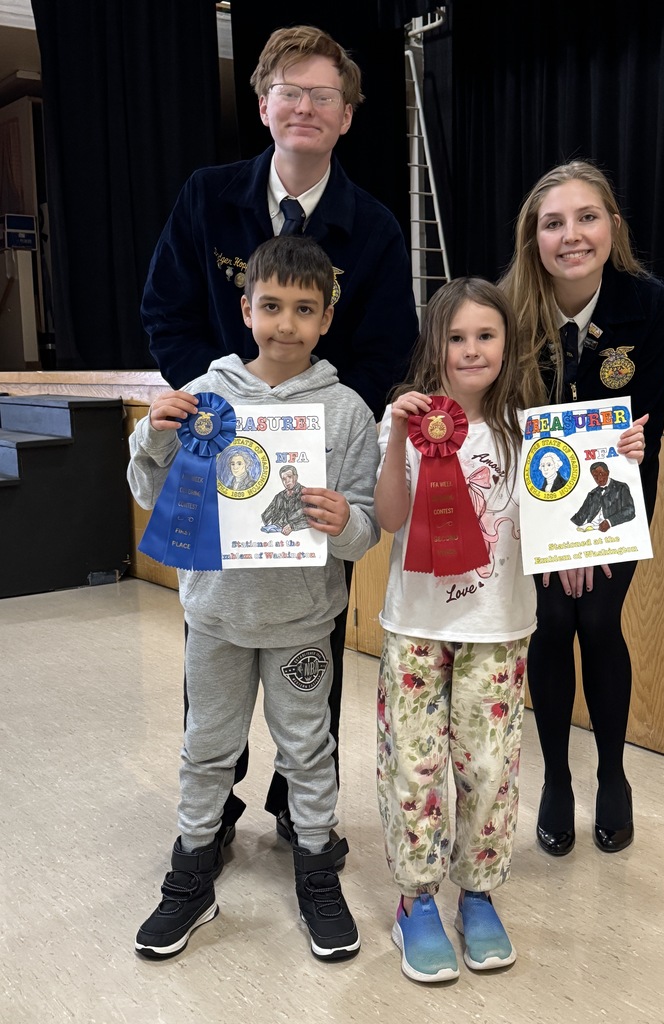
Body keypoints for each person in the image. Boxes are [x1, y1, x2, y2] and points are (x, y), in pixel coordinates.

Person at [140, 24, 418, 854]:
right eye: (288, 92)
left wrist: (312, 422)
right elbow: (167, 311)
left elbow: (386, 346)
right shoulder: (206, 197)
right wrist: (226, 403)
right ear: (263, 106)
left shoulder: (373, 226)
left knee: (312, 634)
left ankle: (302, 807)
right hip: (221, 447)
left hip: (318, 460)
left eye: (322, 95)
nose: (304, 107)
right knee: (214, 634)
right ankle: (214, 800)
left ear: (346, 115)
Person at [128, 235, 380, 961]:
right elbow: (148, 495)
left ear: (326, 318)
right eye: (271, 306)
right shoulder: (205, 397)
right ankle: (191, 870)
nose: (286, 324)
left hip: (302, 620)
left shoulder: (347, 412)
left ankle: (315, 866)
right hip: (216, 616)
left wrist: (345, 520)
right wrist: (152, 434)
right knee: (208, 744)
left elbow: (364, 531)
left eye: (304, 309)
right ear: (245, 310)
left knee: (307, 747)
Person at [499, 160, 664, 855]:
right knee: (549, 622)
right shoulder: (507, 309)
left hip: (617, 490)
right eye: (553, 223)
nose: (571, 235)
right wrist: (554, 534)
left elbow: (643, 424)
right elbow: (503, 423)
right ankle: (555, 780)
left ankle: (611, 774)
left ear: (613, 227)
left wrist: (590, 538)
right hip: (530, 496)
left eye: (587, 217)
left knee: (598, 619)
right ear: (533, 239)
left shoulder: (648, 304)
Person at [374, 277, 544, 982]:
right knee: (414, 767)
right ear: (434, 345)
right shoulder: (409, 424)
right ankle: (415, 902)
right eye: (456, 337)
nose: (472, 350)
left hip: (498, 630)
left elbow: (565, 513)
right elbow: (389, 518)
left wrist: (615, 458)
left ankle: (478, 894)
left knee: (489, 769)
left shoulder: (530, 429)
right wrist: (394, 437)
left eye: (486, 335)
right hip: (416, 628)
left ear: (507, 343)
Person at [571, 461, 635, 532]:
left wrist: (609, 522)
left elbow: (630, 511)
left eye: (601, 474)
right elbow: (579, 516)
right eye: (595, 476)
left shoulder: (621, 487)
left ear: (607, 472)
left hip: (615, 529)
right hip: (592, 531)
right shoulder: (592, 494)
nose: (599, 478)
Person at [262, 465, 309, 533]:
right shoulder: (279, 497)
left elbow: (313, 520)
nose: (287, 481)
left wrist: (293, 526)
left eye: (289, 477)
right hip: (275, 534)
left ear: (296, 477)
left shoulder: (306, 494)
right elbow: (265, 517)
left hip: (299, 534)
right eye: (284, 479)